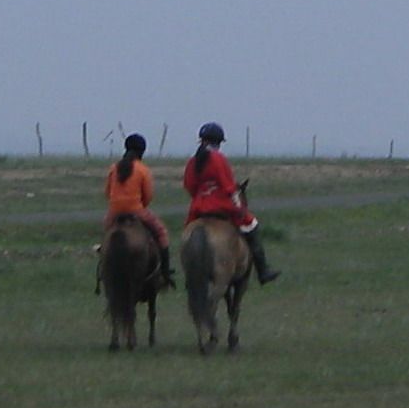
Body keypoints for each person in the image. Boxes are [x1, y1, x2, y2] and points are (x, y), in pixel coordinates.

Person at [183, 122, 281, 284]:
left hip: (199, 206)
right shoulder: (218, 158)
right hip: (220, 204)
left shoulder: (193, 161)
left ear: (201, 141)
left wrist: (202, 196)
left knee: (189, 234)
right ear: (218, 142)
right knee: (252, 226)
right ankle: (263, 271)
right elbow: (228, 186)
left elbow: (189, 185)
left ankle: (189, 275)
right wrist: (238, 207)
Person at [104, 133, 175, 288]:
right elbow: (148, 196)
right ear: (142, 151)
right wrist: (139, 206)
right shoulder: (143, 170)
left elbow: (107, 192)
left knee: (107, 237)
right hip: (136, 210)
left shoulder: (114, 168)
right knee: (161, 233)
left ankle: (103, 269)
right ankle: (164, 272)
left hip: (114, 212)